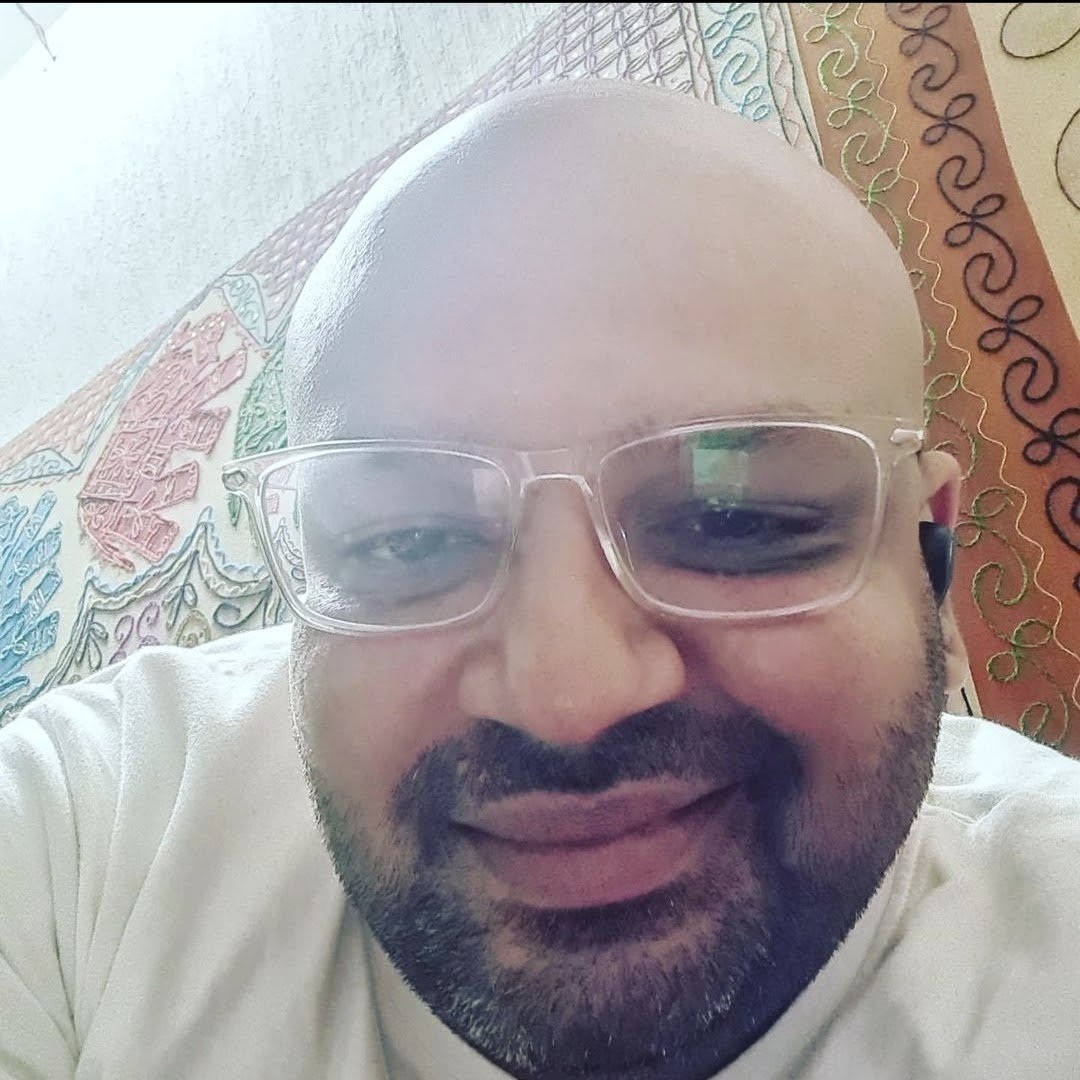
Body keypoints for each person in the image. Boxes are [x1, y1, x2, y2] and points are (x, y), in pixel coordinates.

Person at [2, 79, 1078, 1080]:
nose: (569, 698)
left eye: (735, 518)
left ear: (929, 555)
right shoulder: (93, 827)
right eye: (406, 540)